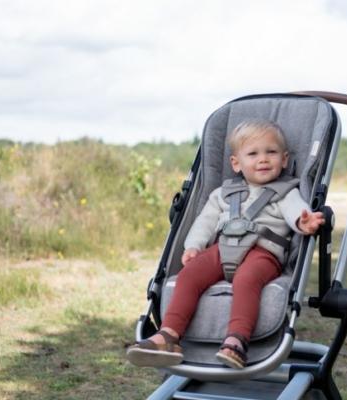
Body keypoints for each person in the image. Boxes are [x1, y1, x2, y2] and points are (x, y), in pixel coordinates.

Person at [126, 120, 325, 369]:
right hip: (222, 249)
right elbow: (205, 223)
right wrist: (194, 246)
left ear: (284, 159)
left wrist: (303, 222)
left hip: (263, 253)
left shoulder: (285, 192)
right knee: (189, 275)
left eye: (271, 152)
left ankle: (237, 340)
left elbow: (297, 211)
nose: (263, 159)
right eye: (253, 154)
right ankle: (168, 335)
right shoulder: (222, 193)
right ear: (236, 163)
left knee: (247, 280)